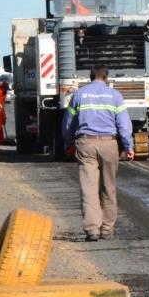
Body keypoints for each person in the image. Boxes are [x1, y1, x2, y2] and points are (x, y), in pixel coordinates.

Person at [62, 65, 135, 241]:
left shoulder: (79, 94)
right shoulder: (115, 96)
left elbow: (68, 123)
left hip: (86, 143)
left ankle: (92, 229)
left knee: (89, 188)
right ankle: (107, 229)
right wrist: (128, 146)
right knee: (109, 187)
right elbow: (124, 125)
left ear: (90, 77)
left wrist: (68, 142)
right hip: (109, 144)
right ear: (106, 78)